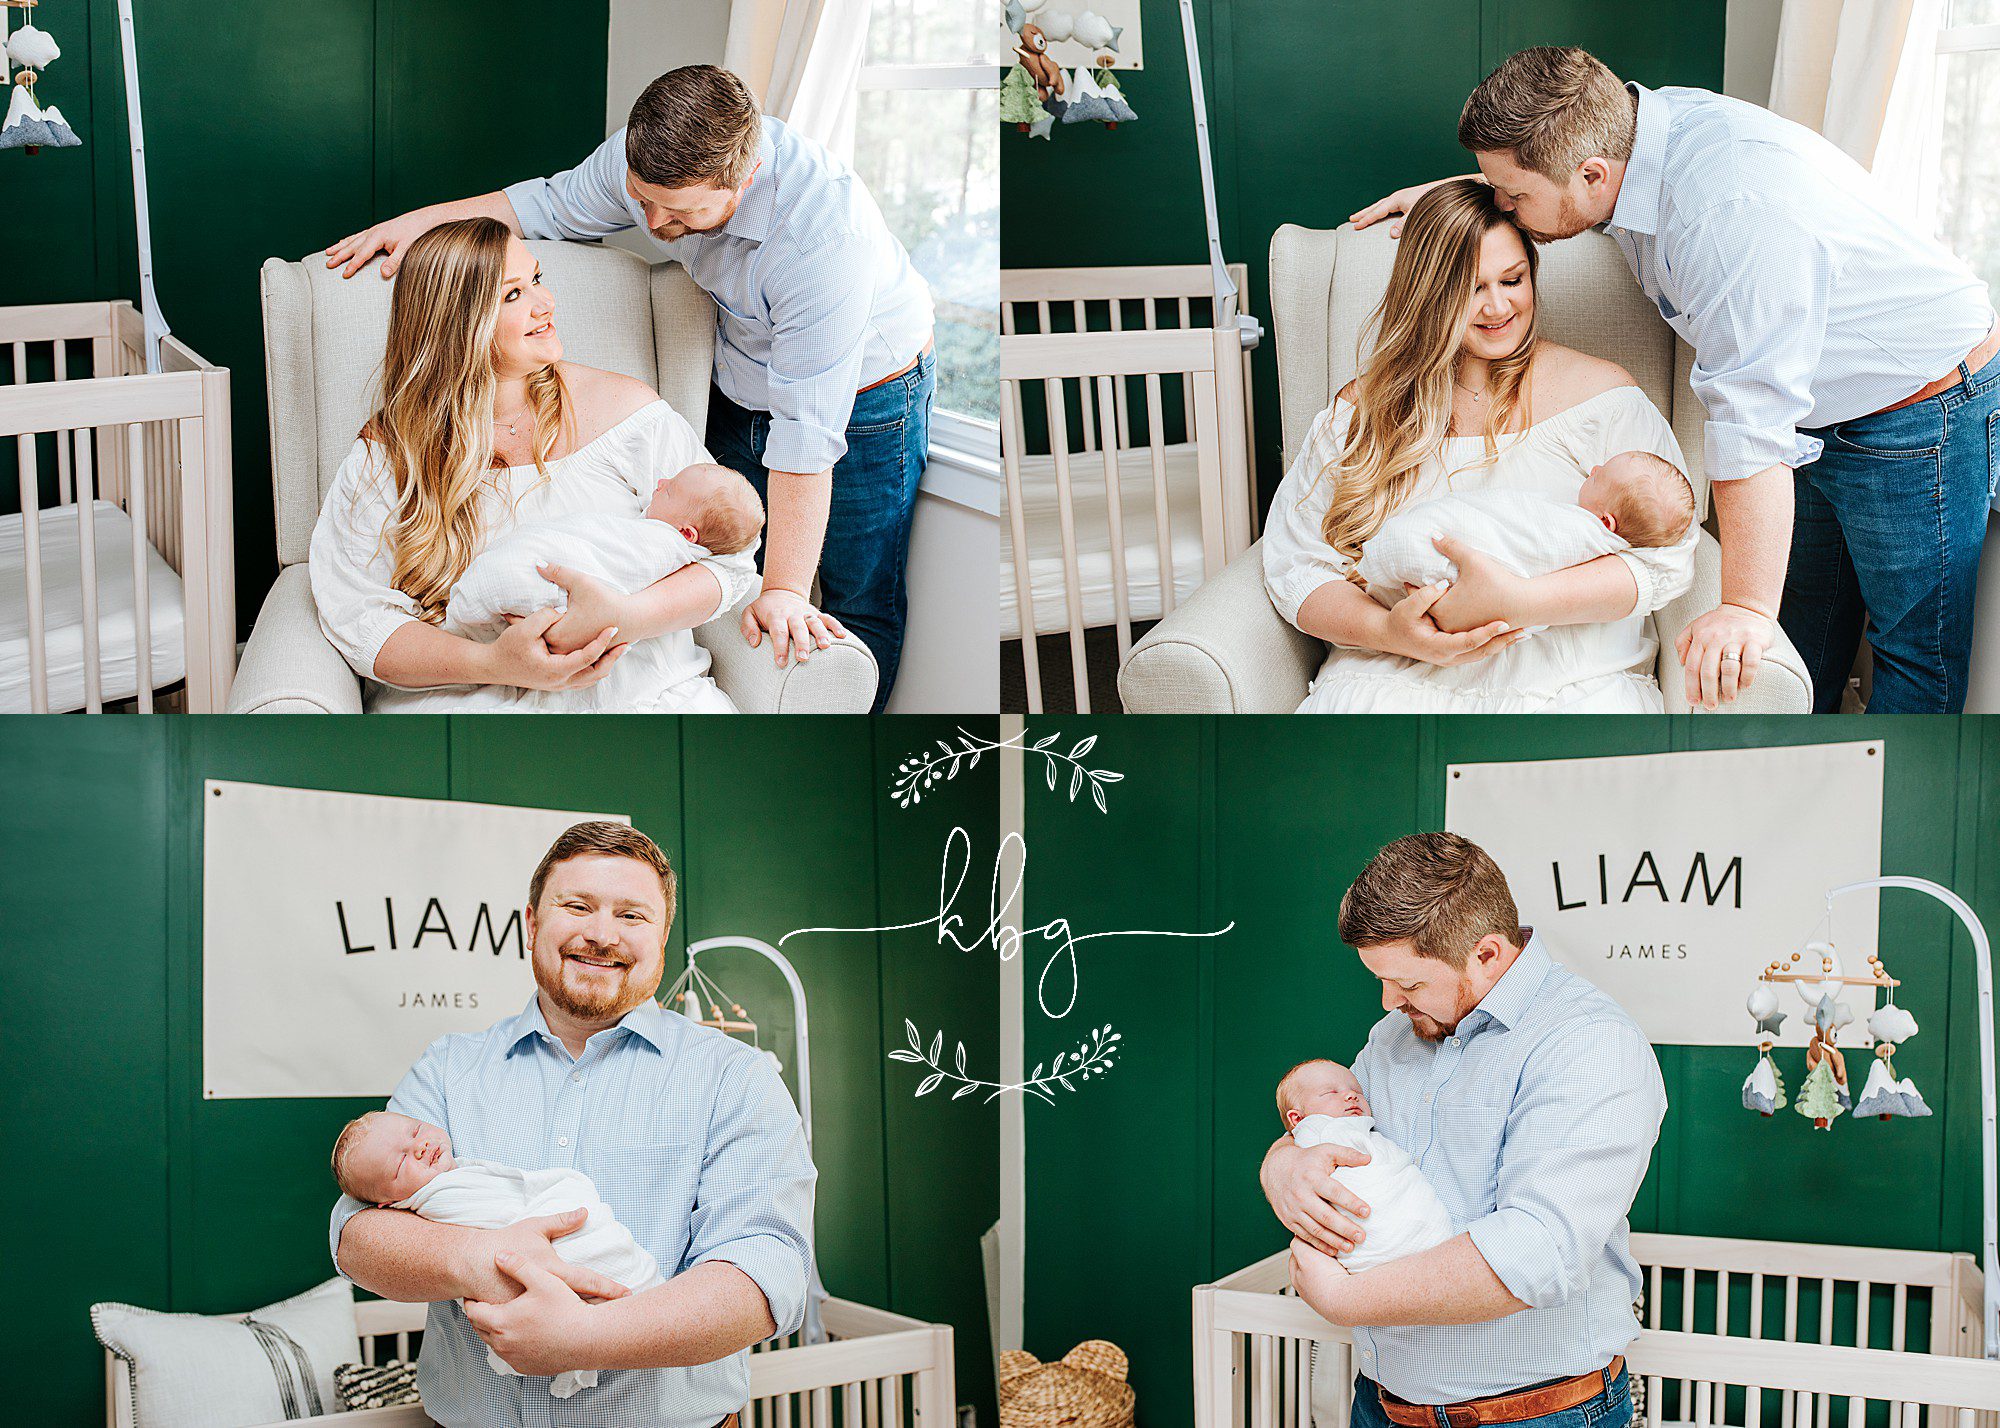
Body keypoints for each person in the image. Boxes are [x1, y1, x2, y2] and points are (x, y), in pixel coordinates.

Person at [1352, 46, 1999, 712]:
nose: (1506, 209)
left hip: (1921, 406)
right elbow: (1561, 174)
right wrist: (1457, 202)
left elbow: (1751, 429)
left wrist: (1745, 607)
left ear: (1593, 175)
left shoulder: (1724, 221)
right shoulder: (1636, 135)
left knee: (1912, 652)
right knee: (1805, 636)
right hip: (1819, 408)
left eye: (1512, 198)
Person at [325, 64, 936, 712]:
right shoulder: (647, 157)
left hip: (866, 387)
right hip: (740, 366)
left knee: (855, 596)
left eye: (676, 211)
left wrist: (781, 590)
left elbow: (804, 442)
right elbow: (548, 204)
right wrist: (420, 230)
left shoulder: (823, 242)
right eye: (640, 197)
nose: (647, 220)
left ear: (745, 178)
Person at [328, 822, 817, 1426]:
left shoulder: (737, 1079)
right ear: (532, 925)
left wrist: (585, 1334)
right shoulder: (449, 1067)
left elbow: (762, 1273)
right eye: (578, 906)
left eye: (632, 916)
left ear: (662, 937)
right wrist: (493, 1259)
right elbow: (358, 1237)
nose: (601, 934)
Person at [1261, 832, 1664, 1427]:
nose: (1386, 1001)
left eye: (1410, 983)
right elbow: (1329, 1123)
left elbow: (1536, 1250)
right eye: (1380, 979)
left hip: (1529, 1415)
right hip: (1382, 1404)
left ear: (1488, 953)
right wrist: (1282, 1162)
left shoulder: (1587, 1043)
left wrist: (1347, 1301)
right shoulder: (1394, 1037)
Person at [1262, 180, 1699, 713]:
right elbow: (1296, 565)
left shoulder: (1604, 400)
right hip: (1392, 681)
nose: (1498, 306)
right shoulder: (1362, 412)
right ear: (1427, 295)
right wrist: (1390, 631)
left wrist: (1521, 602)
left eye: (1512, 279)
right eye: (1471, 288)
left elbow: (1667, 560)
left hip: (1570, 685)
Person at [310, 219, 752, 713]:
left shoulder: (627, 413)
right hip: (470, 708)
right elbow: (361, 622)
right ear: (458, 323)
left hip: (645, 698)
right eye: (513, 295)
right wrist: (493, 664)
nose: (546, 304)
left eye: (537, 279)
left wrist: (626, 615)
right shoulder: (387, 457)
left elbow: (731, 558)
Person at [331, 1110, 666, 1400]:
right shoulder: (437, 1200)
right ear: (388, 1204)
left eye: (416, 1130)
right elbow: (350, 1228)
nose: (419, 1147)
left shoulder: (459, 1172)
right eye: (402, 1161)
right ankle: (632, 1287)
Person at [447, 462, 765, 643]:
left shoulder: (661, 547)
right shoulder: (670, 521)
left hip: (545, 582)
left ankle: (479, 599)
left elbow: (610, 562)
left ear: (686, 534)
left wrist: (624, 616)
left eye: (669, 490)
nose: (660, 480)